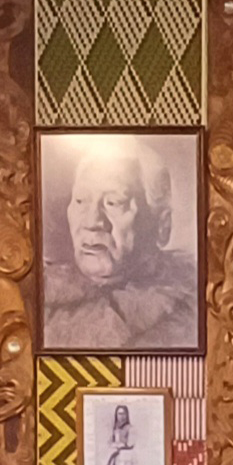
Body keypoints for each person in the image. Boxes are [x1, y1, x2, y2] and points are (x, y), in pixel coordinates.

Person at [43, 143, 199, 350]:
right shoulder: (41, 295)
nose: (92, 221)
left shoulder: (191, 311)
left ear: (162, 225)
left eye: (113, 202)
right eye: (80, 200)